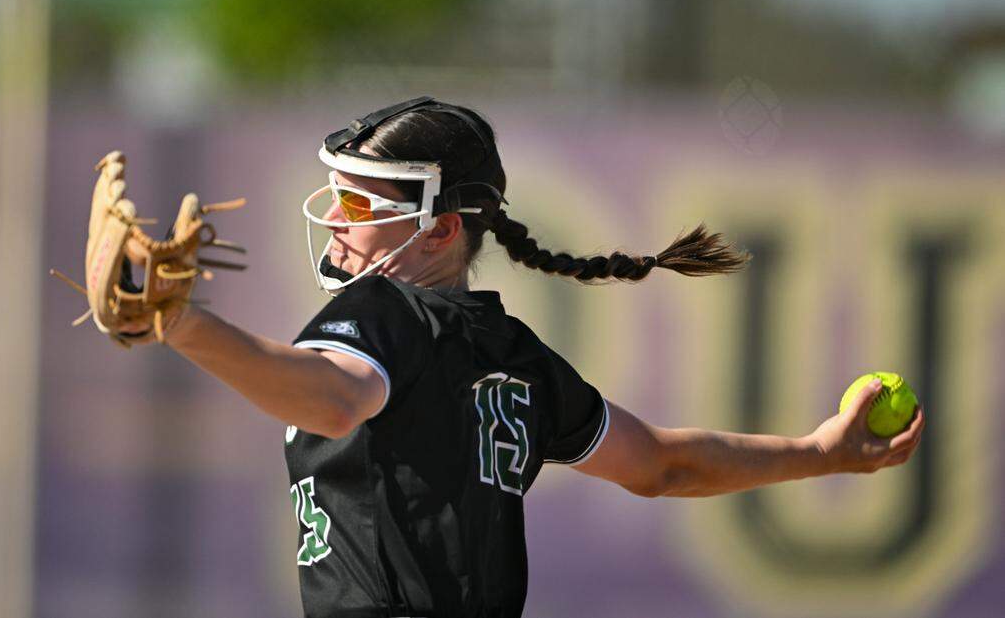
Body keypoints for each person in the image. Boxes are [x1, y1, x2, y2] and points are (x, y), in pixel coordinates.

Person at [160, 98, 925, 618]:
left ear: (440, 229)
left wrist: (180, 323)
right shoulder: (517, 354)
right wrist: (822, 454)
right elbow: (662, 465)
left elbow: (331, 398)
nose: (334, 218)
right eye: (336, 196)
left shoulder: (383, 308)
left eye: (361, 204)